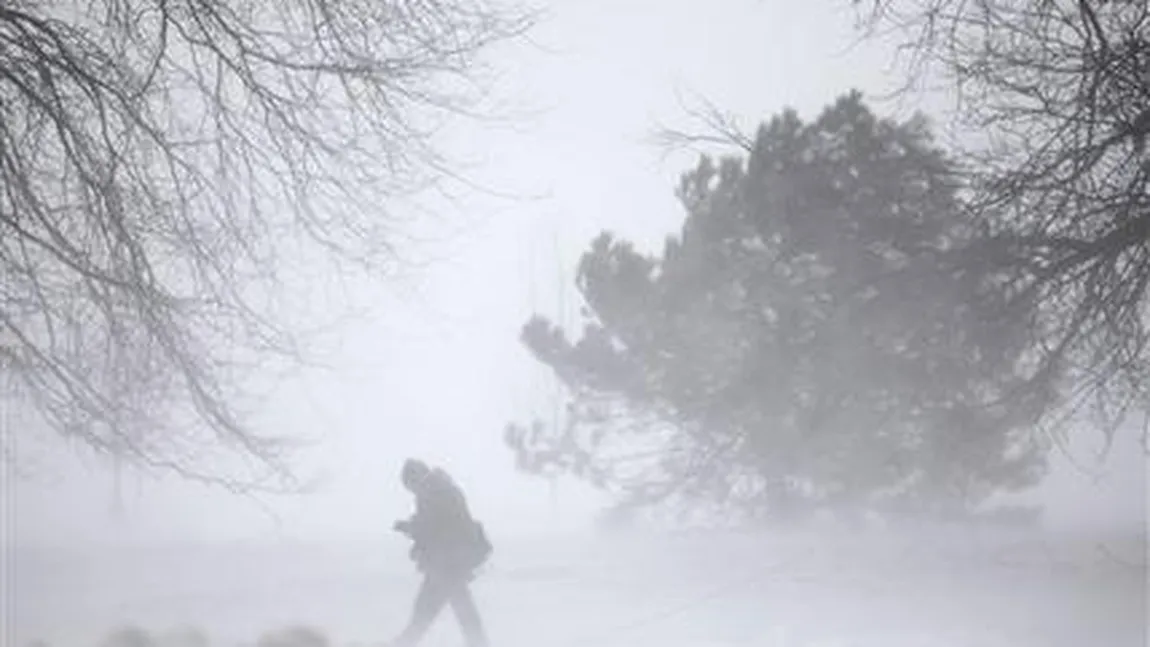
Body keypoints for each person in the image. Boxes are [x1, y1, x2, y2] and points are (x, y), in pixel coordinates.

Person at [389, 458, 493, 647]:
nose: (412, 491)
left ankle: (406, 641)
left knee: (436, 609)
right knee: (452, 608)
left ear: (415, 478)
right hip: (450, 561)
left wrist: (409, 527)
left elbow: (432, 527)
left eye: (410, 486)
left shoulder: (433, 493)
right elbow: (441, 524)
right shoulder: (442, 489)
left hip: (447, 562)